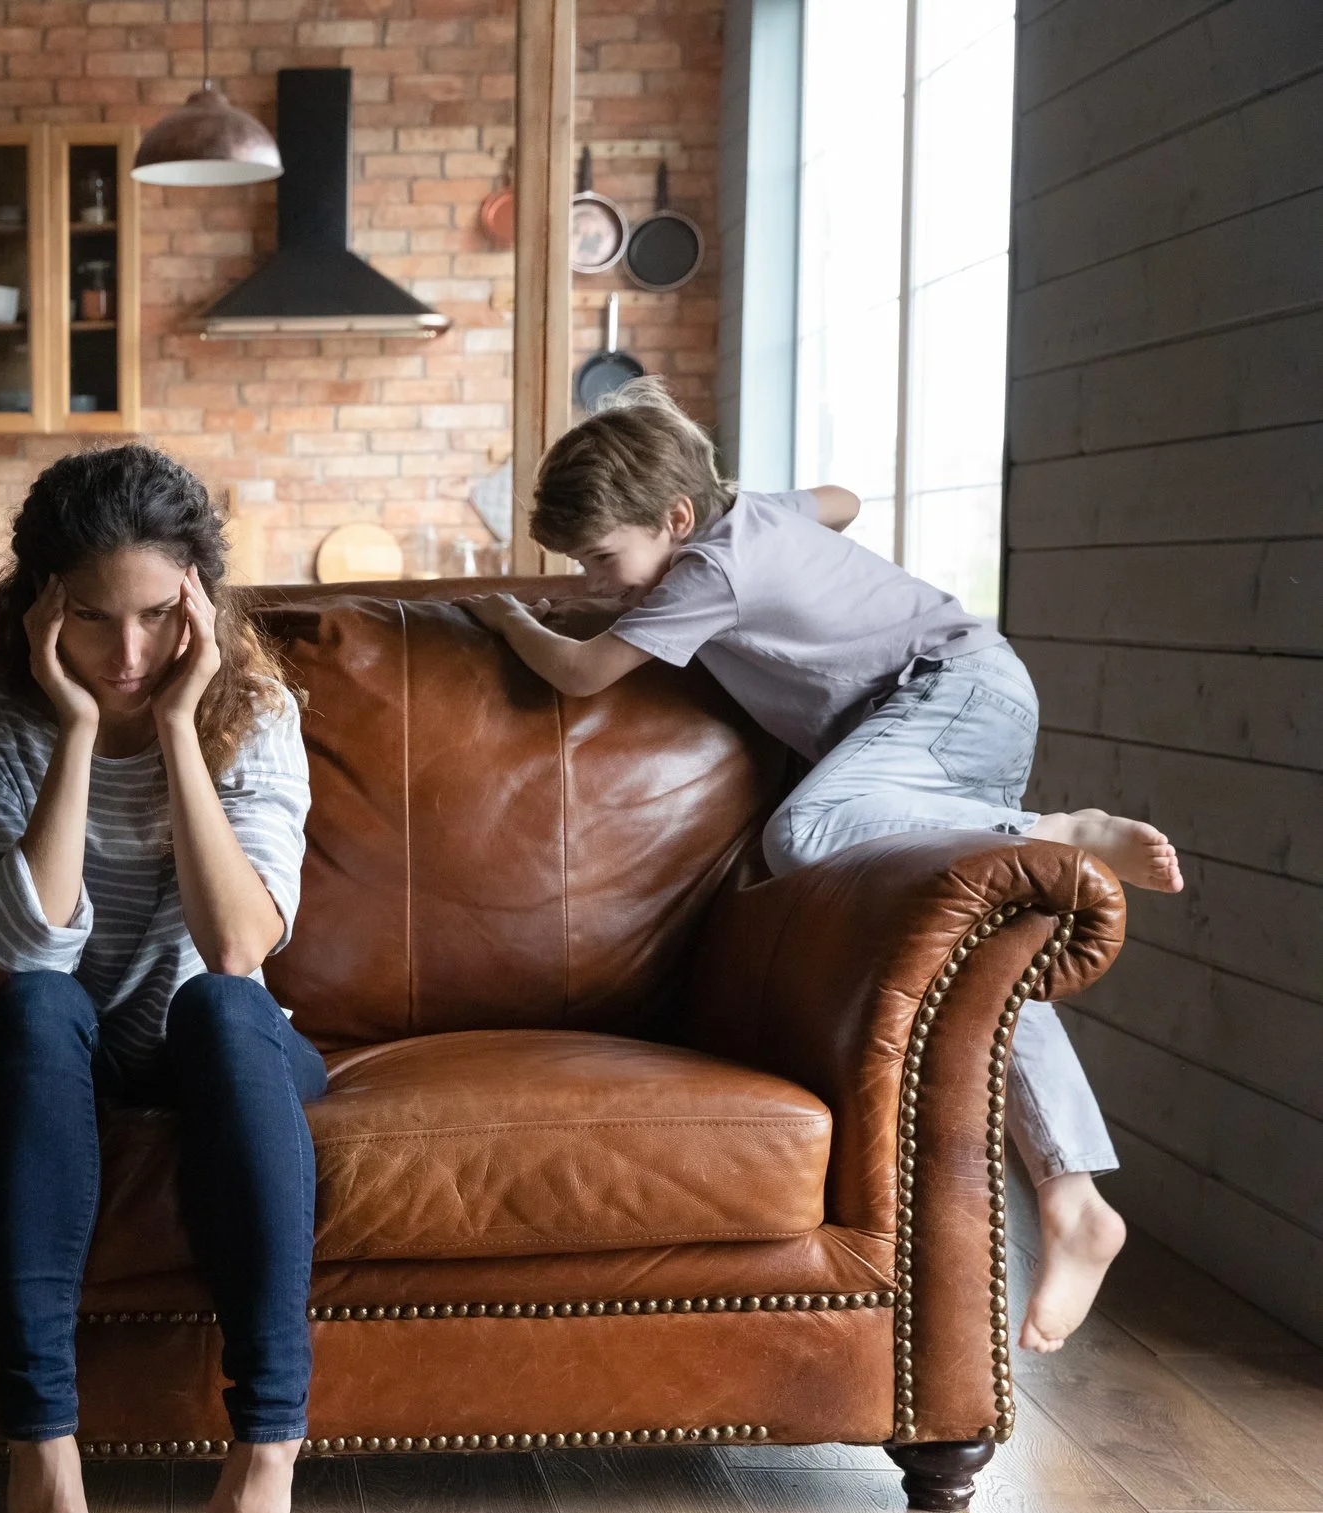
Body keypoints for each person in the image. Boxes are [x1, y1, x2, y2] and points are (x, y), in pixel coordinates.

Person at [466, 378, 1177, 1356]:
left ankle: (1042, 829)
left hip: (945, 694)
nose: (601, 580)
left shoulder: (706, 568)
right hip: (958, 711)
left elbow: (581, 673)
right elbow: (838, 499)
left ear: (676, 517)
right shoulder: (747, 515)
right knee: (975, 931)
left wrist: (512, 617)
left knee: (801, 835)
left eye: (603, 558)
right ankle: (1072, 1196)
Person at [0, 444, 319, 1513]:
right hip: (63, 1049)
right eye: (95, 620)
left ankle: (265, 1455)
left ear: (200, 597)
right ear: (40, 607)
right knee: (40, 1002)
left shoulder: (255, 709)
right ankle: (41, 1451)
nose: (131, 653)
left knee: (220, 1004)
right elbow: (31, 940)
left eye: (157, 616)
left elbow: (241, 942)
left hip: (221, 1045)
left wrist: (186, 728)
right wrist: (80, 728)